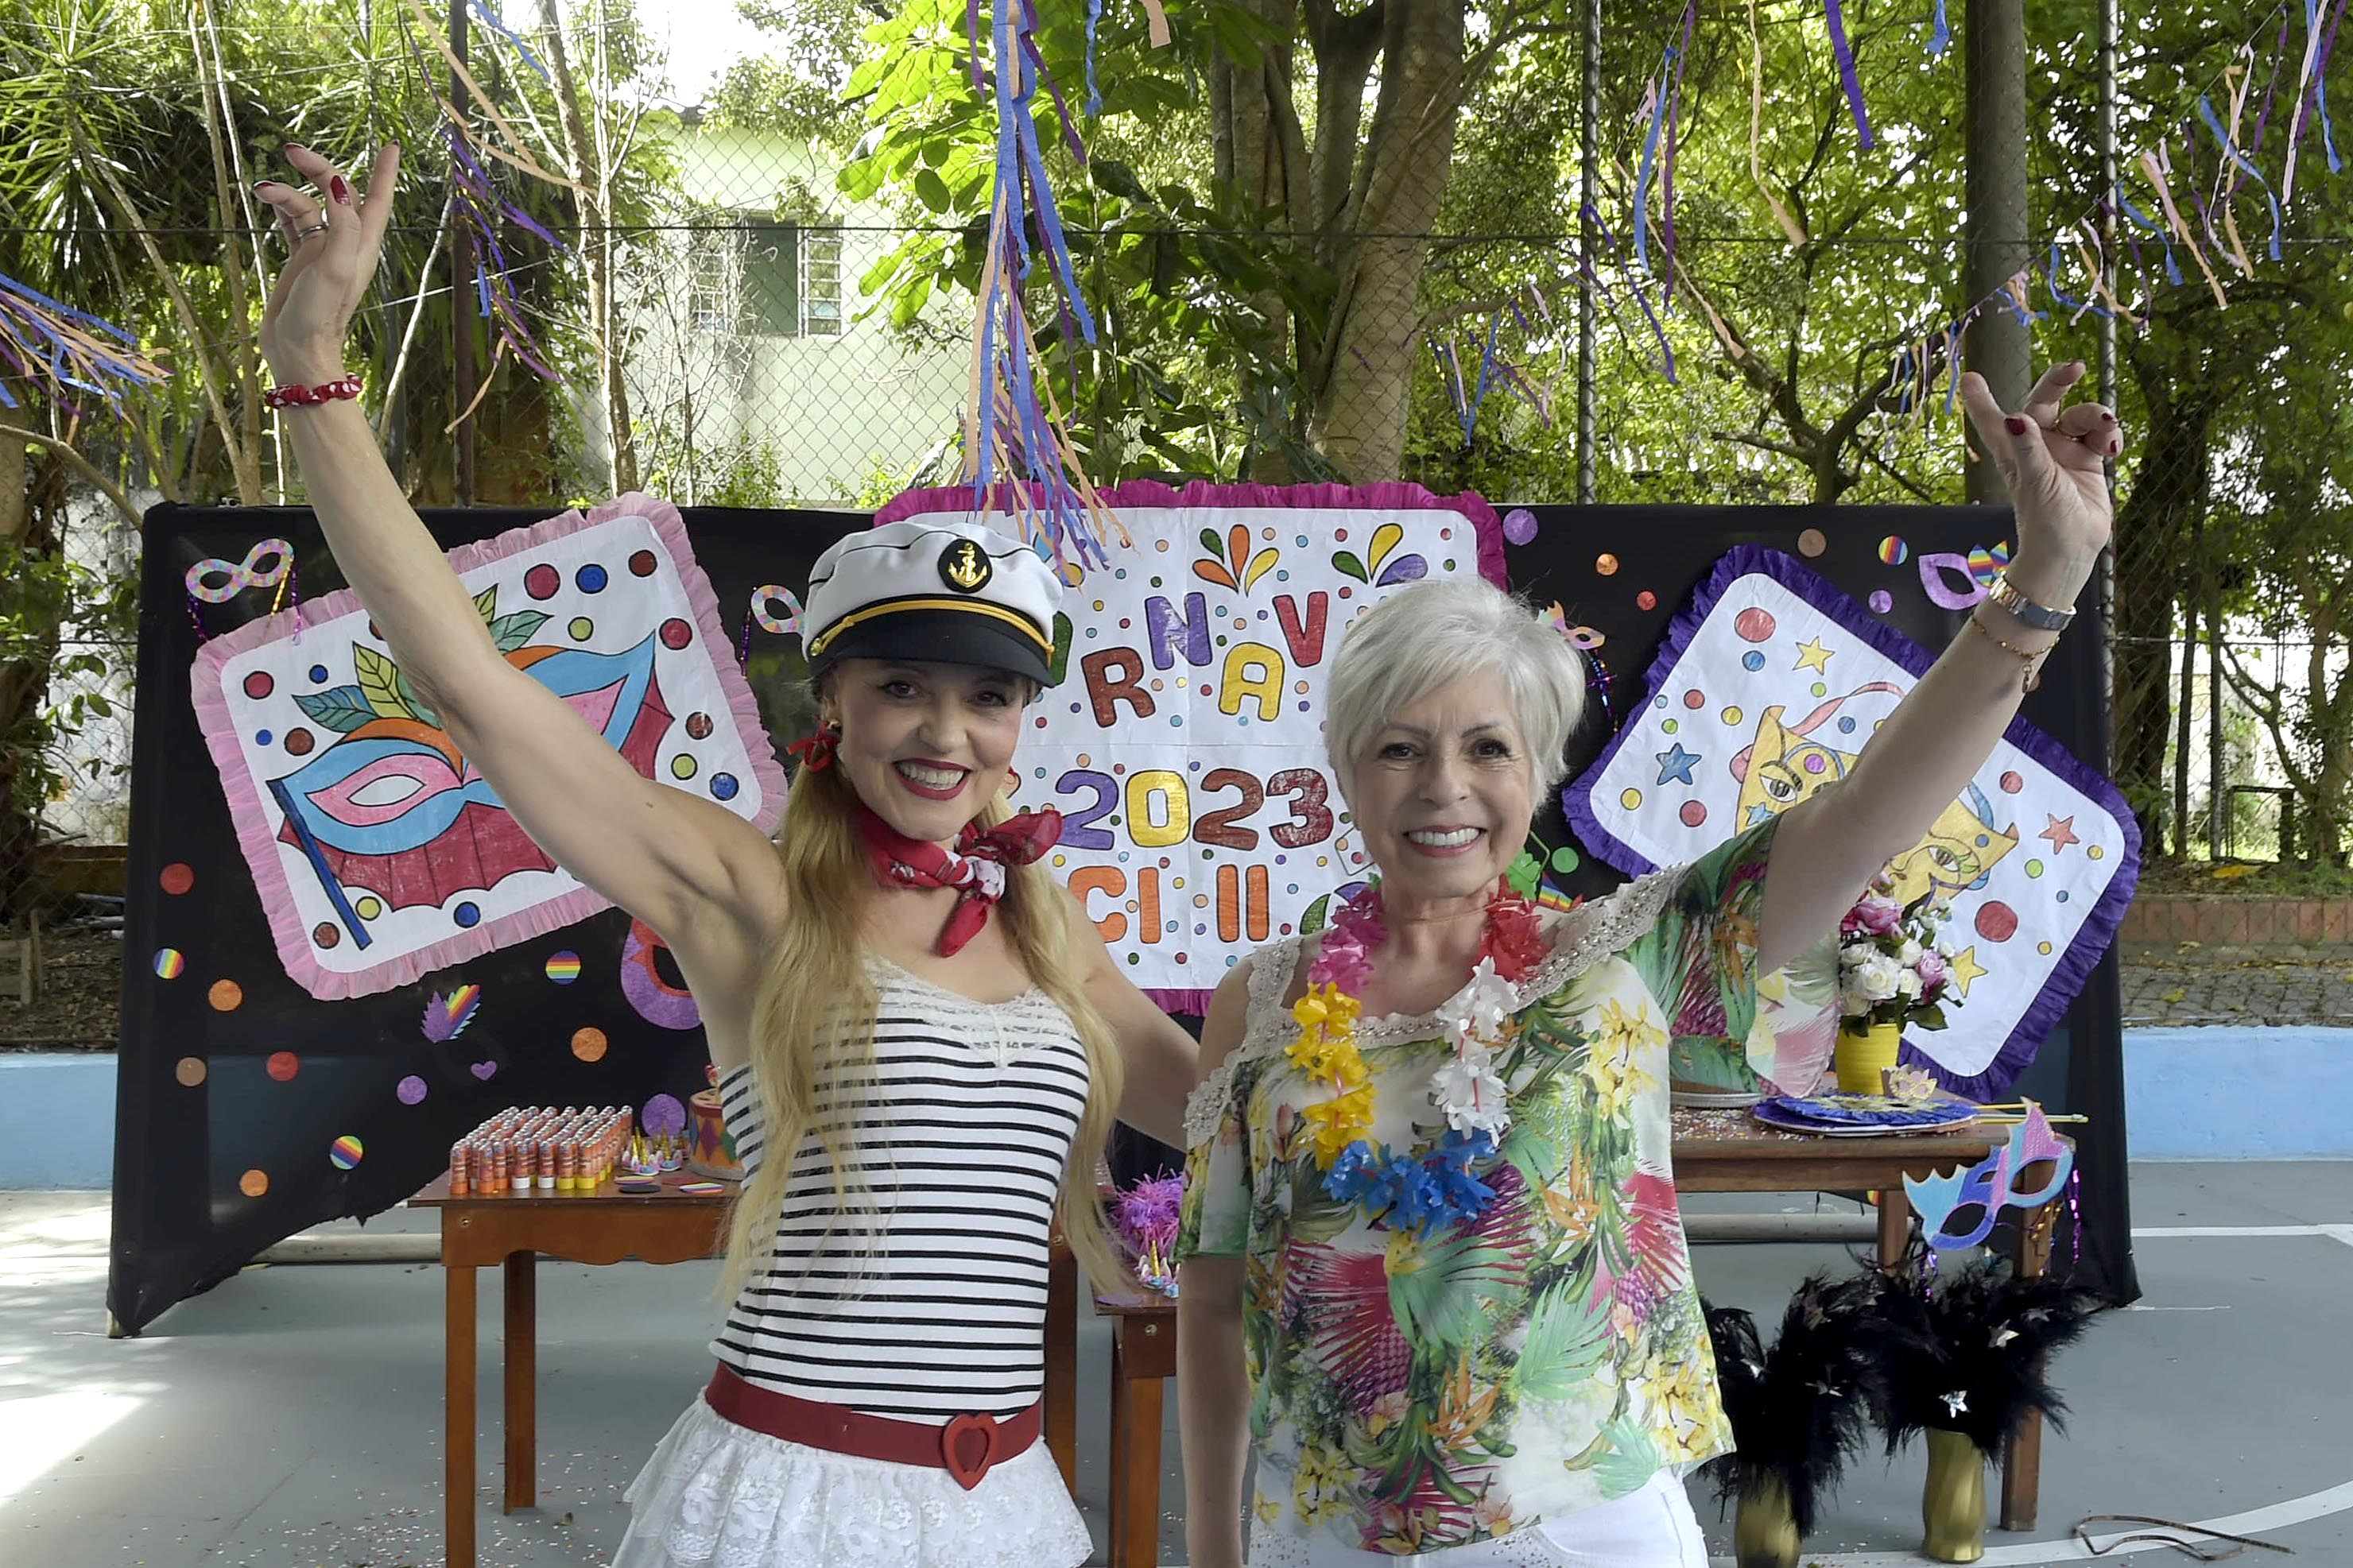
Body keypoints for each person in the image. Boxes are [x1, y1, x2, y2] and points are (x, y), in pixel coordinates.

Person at [253, 143, 1198, 1568]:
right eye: (903, 687)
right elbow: (469, 683)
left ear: (1021, 722)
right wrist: (313, 362)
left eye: (988, 695)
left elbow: (1239, 1108)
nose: (946, 731)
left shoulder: (1046, 930)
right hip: (795, 1506)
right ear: (835, 702)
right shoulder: (745, 889)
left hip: (1008, 1505)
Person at [1173, 371, 2120, 1566]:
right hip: (1317, 1534)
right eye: (1399, 749)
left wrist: (2047, 577)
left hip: (1582, 1531)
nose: (1443, 787)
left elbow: (1867, 811)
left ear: (1539, 771)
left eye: (1487, 747)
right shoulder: (1262, 1002)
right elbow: (1214, 1299)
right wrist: (1210, 1549)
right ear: (1345, 774)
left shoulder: (1622, 955)